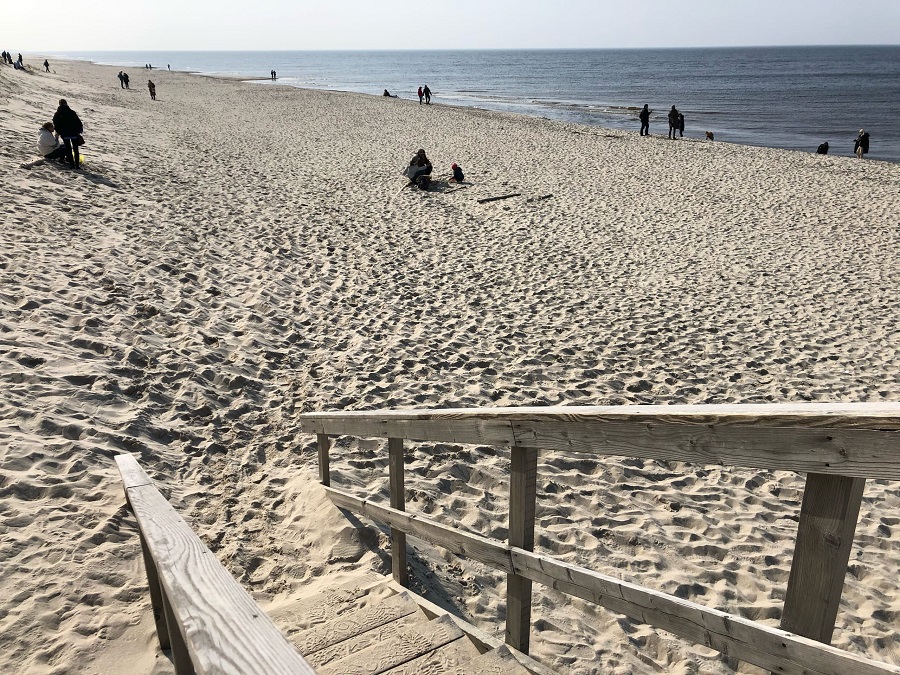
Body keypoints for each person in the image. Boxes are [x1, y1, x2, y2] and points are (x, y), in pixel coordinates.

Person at [52, 99, 84, 170]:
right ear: (66, 104)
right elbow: (78, 122)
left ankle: (72, 165)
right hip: (74, 134)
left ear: (59, 104)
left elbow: (55, 124)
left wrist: (60, 132)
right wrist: (78, 131)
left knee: (68, 149)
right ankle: (77, 165)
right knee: (76, 149)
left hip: (65, 135)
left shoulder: (57, 114)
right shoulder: (72, 112)